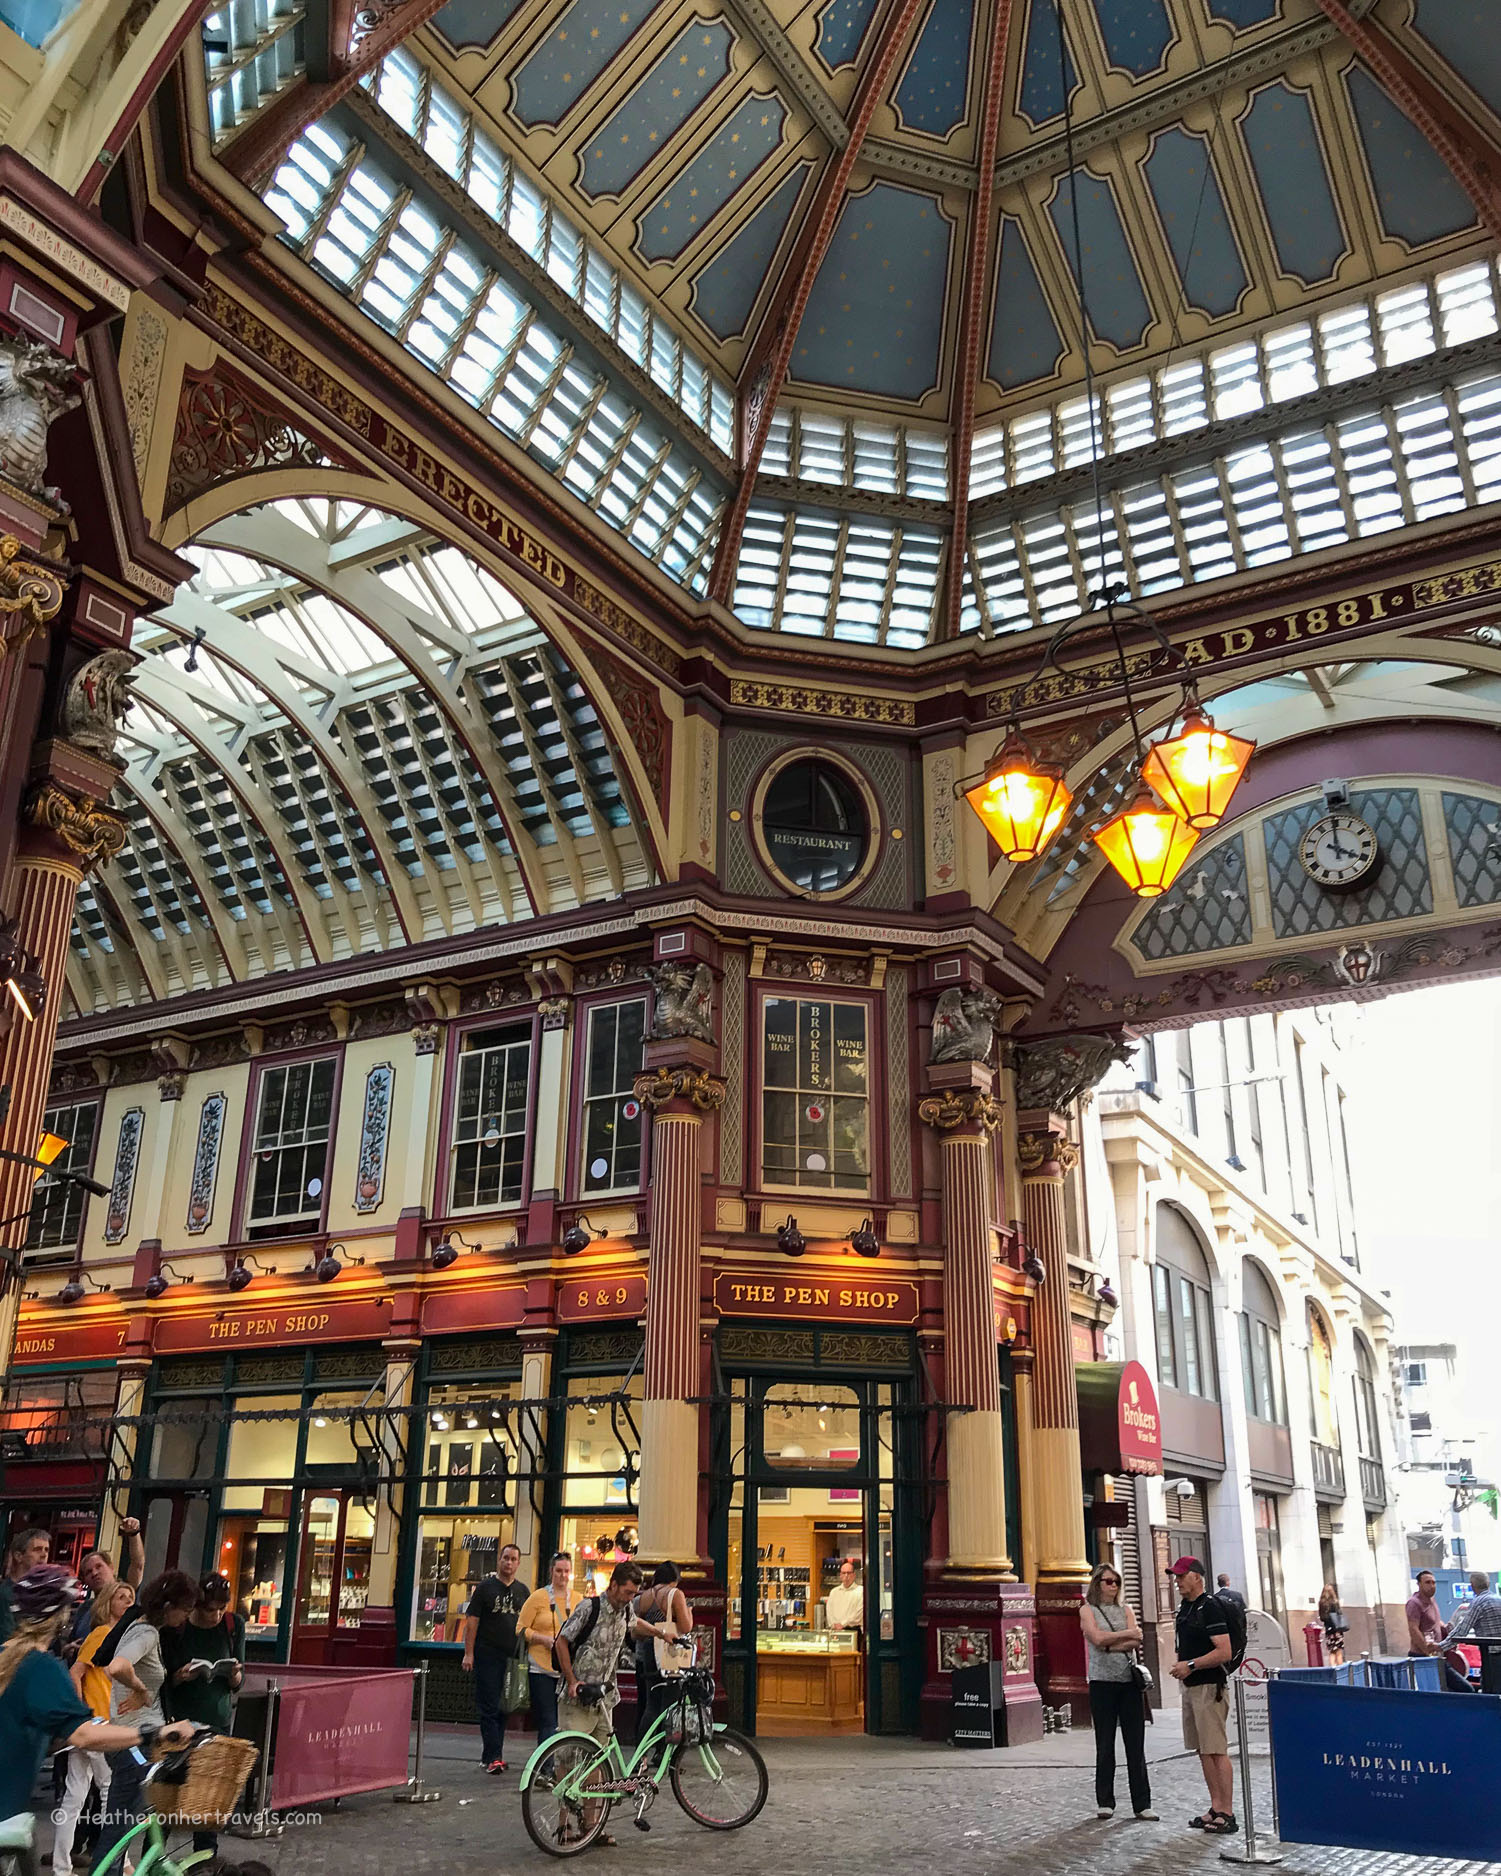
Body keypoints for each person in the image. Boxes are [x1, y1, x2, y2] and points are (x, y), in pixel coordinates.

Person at [0, 1568, 192, 1857]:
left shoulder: (7, 1655)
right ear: (63, 1616)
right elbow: (85, 1736)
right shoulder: (41, 1668)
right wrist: (154, 1732)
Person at [94, 1570, 200, 1870]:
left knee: (121, 1829)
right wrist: (141, 1689)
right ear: (169, 1607)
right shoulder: (146, 1632)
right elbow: (116, 1666)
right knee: (119, 1831)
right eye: (186, 1610)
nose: (186, 1618)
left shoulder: (139, 1628)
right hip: (133, 1742)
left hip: (135, 1740)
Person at [52, 1580, 133, 1876]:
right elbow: (76, 1672)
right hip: (99, 1724)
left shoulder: (117, 1636)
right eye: (120, 1597)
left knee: (75, 1796)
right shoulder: (103, 1634)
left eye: (130, 1597)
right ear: (108, 1603)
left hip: (95, 1723)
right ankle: (120, 1862)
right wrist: (84, 1711)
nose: (126, 1602)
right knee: (111, 1792)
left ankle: (62, 1867)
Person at [160, 1574, 245, 1859]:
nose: (216, 1615)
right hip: (181, 1721)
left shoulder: (234, 1626)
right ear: (196, 1605)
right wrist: (180, 1676)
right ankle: (155, 1857)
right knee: (170, 1797)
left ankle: (204, 1861)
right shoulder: (178, 1628)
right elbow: (164, 1679)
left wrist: (234, 1675)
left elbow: (238, 1682)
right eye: (210, 1609)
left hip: (217, 1721)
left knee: (210, 1798)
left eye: (222, 1609)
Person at [1080, 1560, 1155, 1823]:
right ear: (1097, 1584)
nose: (1114, 1586)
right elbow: (1096, 1639)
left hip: (1129, 1684)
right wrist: (1121, 1638)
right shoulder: (1087, 1610)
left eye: (1117, 1582)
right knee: (1105, 1744)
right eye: (1109, 1581)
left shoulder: (1127, 1609)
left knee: (1136, 1745)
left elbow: (1137, 1639)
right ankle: (1105, 1802)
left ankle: (1142, 1804)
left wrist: (1113, 1642)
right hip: (1101, 1684)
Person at [1166, 1557, 1235, 1835]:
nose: (1177, 1581)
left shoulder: (1211, 1607)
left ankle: (1227, 1812)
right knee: (1202, 1750)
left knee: (1216, 1750)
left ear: (1197, 1577)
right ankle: (1215, 1807)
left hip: (1210, 1687)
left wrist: (1190, 1665)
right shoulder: (1186, 1608)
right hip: (1191, 1687)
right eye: (1175, 1576)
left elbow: (1224, 1651)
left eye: (1181, 1576)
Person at [462, 1541, 530, 1774]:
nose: (508, 1562)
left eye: (513, 1559)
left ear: (518, 1563)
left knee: (504, 1707)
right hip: (487, 1654)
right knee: (489, 1706)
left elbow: (528, 1624)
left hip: (512, 1659)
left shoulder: (523, 1591)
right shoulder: (485, 1588)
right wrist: (468, 1653)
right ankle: (493, 1757)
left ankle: (492, 1755)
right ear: (499, 1560)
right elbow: (472, 1622)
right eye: (505, 1558)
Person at [630, 1563, 693, 1744]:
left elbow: (634, 1632)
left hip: (647, 1656)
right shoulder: (675, 1594)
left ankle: (640, 1754)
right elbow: (685, 1626)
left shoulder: (641, 1598)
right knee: (671, 1706)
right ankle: (664, 1752)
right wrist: (689, 1611)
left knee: (650, 1706)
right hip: (669, 1656)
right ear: (675, 1579)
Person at [518, 1552, 576, 1746]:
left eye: (566, 1571)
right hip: (541, 1668)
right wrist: (541, 1638)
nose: (562, 1575)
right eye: (559, 1571)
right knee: (548, 1720)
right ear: (552, 1571)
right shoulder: (538, 1597)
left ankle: (560, 1764)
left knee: (565, 1721)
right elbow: (520, 1628)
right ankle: (546, 1767)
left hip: (566, 1669)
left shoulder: (578, 1599)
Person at [1406, 1569, 1474, 1691]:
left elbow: (1434, 1622)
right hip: (1422, 1656)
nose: (1432, 1586)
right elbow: (1413, 1629)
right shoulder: (1414, 1603)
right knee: (1463, 1688)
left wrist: (1445, 1629)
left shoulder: (1431, 1600)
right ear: (1419, 1584)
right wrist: (1427, 1652)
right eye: (1427, 1582)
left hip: (1437, 1655)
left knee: (1450, 1689)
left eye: (1433, 1582)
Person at [0, 1531, 51, 1643]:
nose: (44, 1555)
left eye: (46, 1550)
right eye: (37, 1549)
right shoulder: (5, 1594)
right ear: (18, 1556)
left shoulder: (41, 1593)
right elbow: (8, 1640)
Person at [1439, 1571, 1501, 1646]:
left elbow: (1462, 1631)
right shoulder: (1498, 1599)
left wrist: (1441, 1646)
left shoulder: (1478, 1603)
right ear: (1488, 1584)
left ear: (1472, 1585)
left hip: (1490, 1652)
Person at [825, 1558, 863, 1632]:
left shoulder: (860, 1591)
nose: (846, 1576)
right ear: (840, 1575)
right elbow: (829, 1612)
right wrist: (834, 1624)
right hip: (835, 1630)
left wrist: (843, 1624)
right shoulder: (834, 1592)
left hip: (853, 1630)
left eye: (849, 1573)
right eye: (843, 1573)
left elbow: (859, 1614)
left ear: (854, 1575)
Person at [1317, 1584, 1348, 1665]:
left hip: (1328, 1630)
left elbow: (1322, 1618)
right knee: (1339, 1651)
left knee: (1332, 1651)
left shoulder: (1321, 1603)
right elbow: (1339, 1614)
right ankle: (1340, 1671)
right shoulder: (1334, 1602)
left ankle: (1333, 1669)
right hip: (1336, 1630)